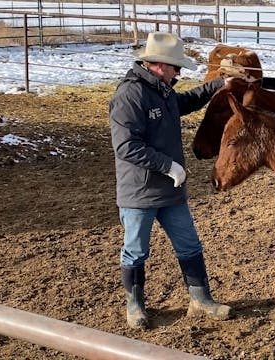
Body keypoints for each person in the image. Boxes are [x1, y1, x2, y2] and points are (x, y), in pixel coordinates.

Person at [109, 32, 240, 329]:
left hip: (171, 189)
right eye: (175, 68)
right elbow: (126, 146)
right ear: (158, 65)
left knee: (189, 244)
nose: (178, 73)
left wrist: (219, 84)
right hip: (139, 191)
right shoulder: (129, 96)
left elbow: (185, 102)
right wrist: (167, 165)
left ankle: (201, 299)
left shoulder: (162, 90)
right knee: (136, 249)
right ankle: (135, 305)